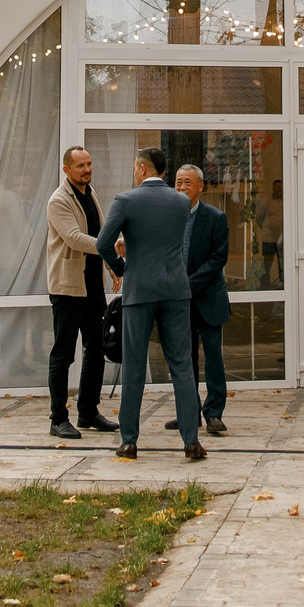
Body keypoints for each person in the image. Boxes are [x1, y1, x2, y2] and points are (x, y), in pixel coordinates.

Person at [94, 147, 205, 460]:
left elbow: (103, 242)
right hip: (176, 290)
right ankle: (191, 441)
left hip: (140, 289)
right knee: (182, 365)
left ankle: (129, 441)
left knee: (134, 366)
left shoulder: (125, 200)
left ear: (142, 169)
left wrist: (121, 266)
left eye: (134, 167)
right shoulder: (181, 201)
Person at [44, 145, 118, 440]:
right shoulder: (58, 200)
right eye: (80, 166)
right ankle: (57, 418)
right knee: (63, 355)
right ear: (66, 170)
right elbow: (75, 239)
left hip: (92, 286)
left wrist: (112, 265)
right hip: (67, 288)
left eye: (89, 164)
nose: (87, 170)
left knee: (96, 349)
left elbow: (98, 234)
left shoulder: (90, 193)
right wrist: (111, 247)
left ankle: (88, 411)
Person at [166, 164, 230, 438]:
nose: (181, 188)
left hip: (208, 299)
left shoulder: (216, 218)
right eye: (178, 182)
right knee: (184, 360)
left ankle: (214, 413)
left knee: (213, 357)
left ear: (200, 187)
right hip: (179, 302)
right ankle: (188, 412)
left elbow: (218, 259)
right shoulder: (167, 217)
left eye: (187, 183)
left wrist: (187, 285)